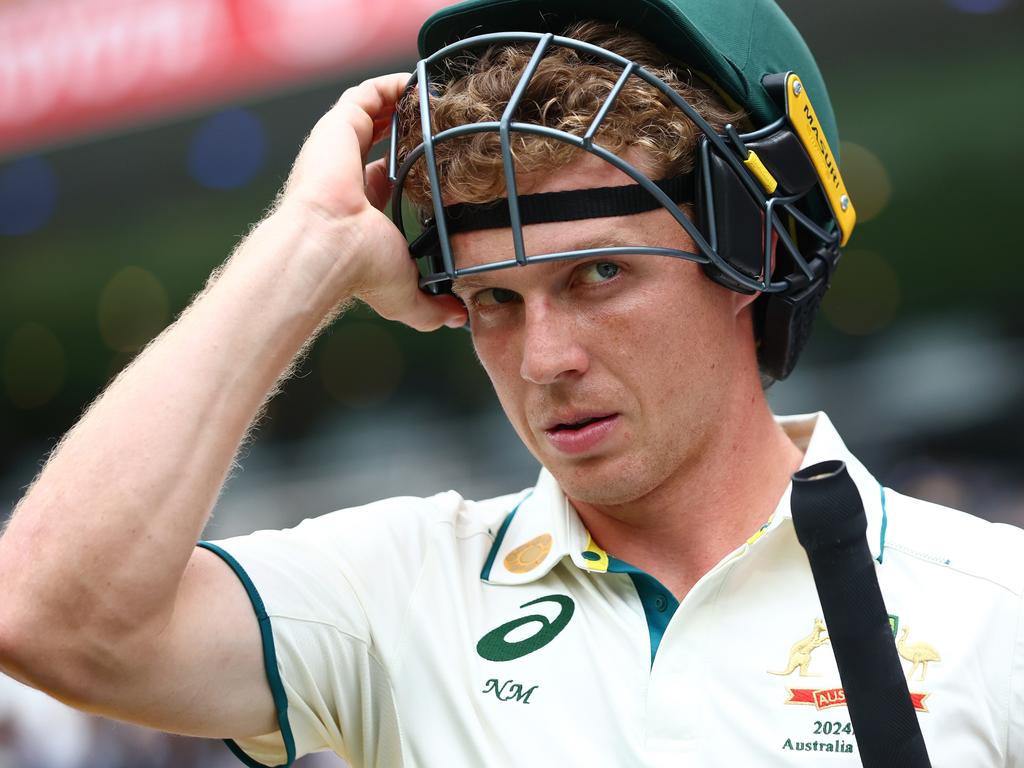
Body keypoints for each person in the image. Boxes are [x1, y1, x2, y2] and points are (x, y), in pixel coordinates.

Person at [0, 0, 1021, 765]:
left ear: (750, 256)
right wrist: (304, 250)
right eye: (494, 300)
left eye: (599, 274)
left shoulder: (993, 606)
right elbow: (45, 615)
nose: (544, 361)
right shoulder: (395, 590)